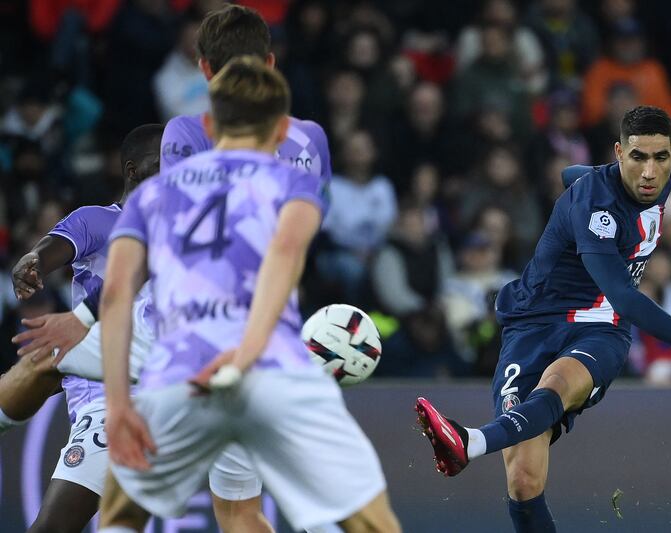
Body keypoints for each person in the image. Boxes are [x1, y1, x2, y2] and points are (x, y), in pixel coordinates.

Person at [414, 106, 671, 532]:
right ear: (620, 153)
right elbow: (624, 292)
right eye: (638, 157)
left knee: (559, 384)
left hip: (602, 327)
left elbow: (613, 297)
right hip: (534, 323)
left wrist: (578, 175)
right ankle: (473, 444)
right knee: (523, 479)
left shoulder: (655, 183)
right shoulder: (596, 207)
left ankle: (469, 441)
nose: (650, 172)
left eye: (661, 157)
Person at [97, 56, 401, 533]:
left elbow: (115, 294)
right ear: (281, 130)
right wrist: (245, 356)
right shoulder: (293, 184)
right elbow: (283, 255)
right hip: (270, 369)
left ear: (208, 123)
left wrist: (118, 405)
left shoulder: (153, 194)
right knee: (373, 522)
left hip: (181, 375)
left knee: (119, 516)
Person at [157, 6, 334, 531]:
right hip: (283, 327)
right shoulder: (310, 139)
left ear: (204, 68)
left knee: (236, 510)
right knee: (246, 503)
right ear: (271, 63)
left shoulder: (185, 133)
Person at [2, 124, 163, 533]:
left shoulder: (185, 238)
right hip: (107, 398)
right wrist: (33, 261)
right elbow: (51, 249)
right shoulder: (99, 220)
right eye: (162, 166)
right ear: (132, 170)